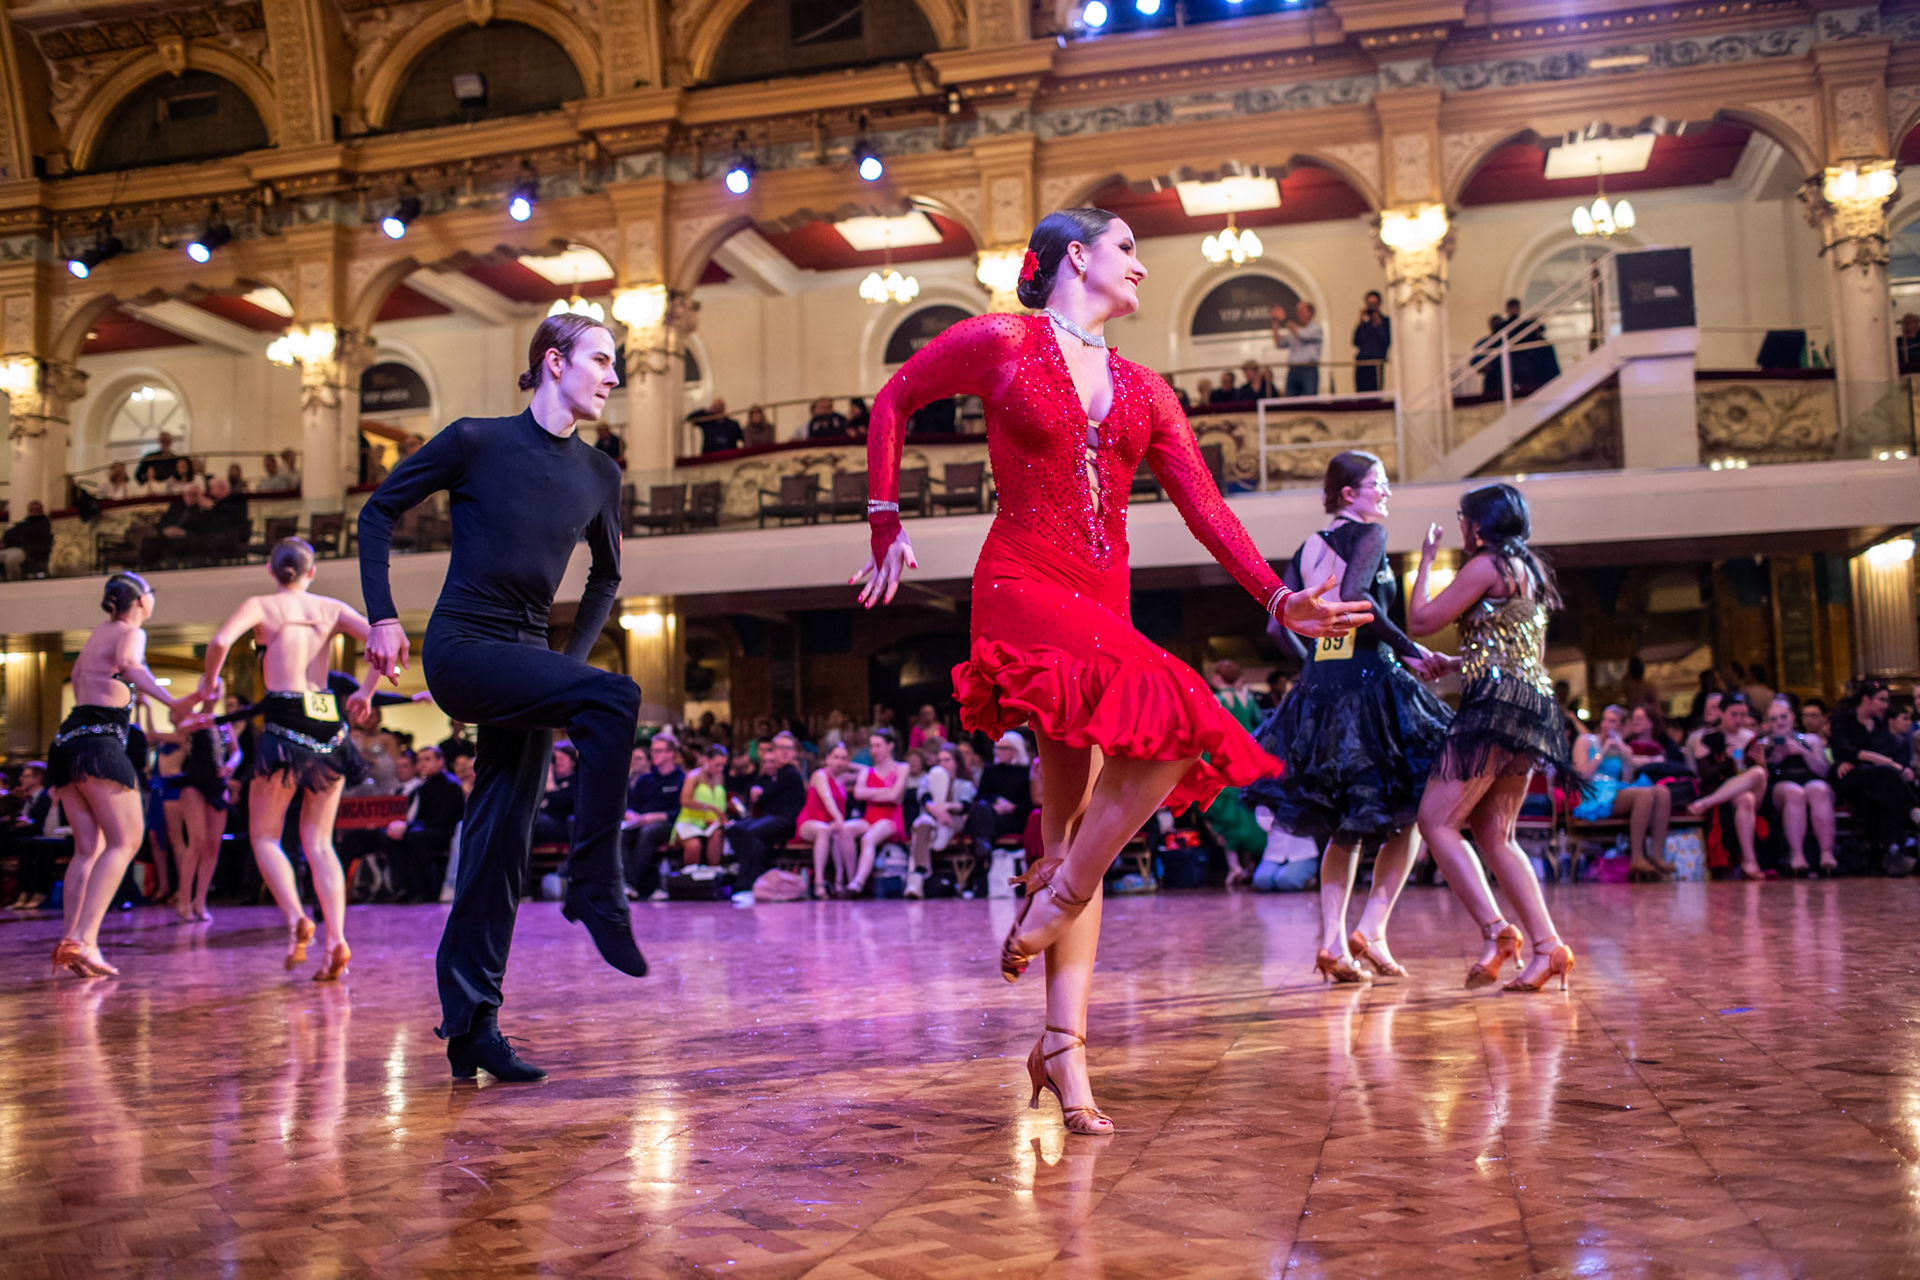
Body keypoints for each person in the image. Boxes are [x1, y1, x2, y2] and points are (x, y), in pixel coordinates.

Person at [855, 207, 1367, 1134]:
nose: (1141, 265)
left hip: (1104, 600)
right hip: (1021, 581)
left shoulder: (1145, 388)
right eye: (1128, 248)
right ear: (1077, 256)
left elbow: (1206, 506)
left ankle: (1063, 1044)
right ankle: (1058, 895)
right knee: (1181, 711)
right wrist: (885, 519)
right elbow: (894, 399)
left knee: (1075, 817)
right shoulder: (1002, 341)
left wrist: (1276, 597)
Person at [359, 312, 641, 1084]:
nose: (614, 376)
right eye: (601, 360)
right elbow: (378, 511)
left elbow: (608, 575)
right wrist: (383, 615)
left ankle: (472, 1026)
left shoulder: (600, 474)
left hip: (528, 659)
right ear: (554, 362)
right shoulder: (476, 441)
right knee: (616, 697)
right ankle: (595, 883)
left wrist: (564, 672)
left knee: (500, 843)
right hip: (464, 648)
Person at [1247, 451, 1453, 981]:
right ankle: (1373, 929)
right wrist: (1410, 649)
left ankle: (1334, 944)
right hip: (1370, 684)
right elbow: (1359, 595)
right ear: (1349, 494)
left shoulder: (1307, 548)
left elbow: (1276, 625)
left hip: (1319, 689)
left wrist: (1315, 664)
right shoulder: (1369, 534)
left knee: (1345, 823)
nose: (1386, 492)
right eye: (1378, 483)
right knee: (1416, 805)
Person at [1409, 482, 1577, 993]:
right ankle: (1548, 948)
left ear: (1478, 524)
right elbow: (1522, 653)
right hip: (1531, 705)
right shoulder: (1529, 570)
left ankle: (1497, 930)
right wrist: (1457, 664)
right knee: (1494, 833)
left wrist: (1426, 562)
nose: (1461, 525)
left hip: (1495, 707)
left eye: (1463, 517)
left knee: (1435, 822)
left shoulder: (1485, 566)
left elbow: (1421, 620)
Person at [198, 538, 384, 977]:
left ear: (271, 569)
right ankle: (336, 940)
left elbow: (220, 640)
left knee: (265, 836)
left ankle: (297, 917)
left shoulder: (262, 605)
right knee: (319, 842)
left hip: (284, 721)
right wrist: (365, 692)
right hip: (327, 724)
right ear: (311, 571)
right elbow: (384, 642)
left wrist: (209, 684)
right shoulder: (330, 608)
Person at [48, 573, 185, 977]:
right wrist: (173, 702)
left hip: (67, 741)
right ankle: (85, 941)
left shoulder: (97, 633)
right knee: (126, 841)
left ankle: (71, 940)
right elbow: (129, 664)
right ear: (141, 601)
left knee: (88, 849)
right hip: (99, 744)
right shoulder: (130, 631)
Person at [1571, 705, 1675, 880]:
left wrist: (1626, 757)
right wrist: (1602, 753)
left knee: (1662, 792)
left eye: (1612, 721)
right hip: (1593, 792)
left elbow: (1626, 782)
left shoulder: (1623, 747)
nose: (1606, 725)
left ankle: (1657, 856)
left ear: (1621, 726)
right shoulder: (1586, 740)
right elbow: (1582, 775)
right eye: (1604, 719)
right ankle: (1637, 857)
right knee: (1644, 794)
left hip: (1615, 790)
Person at [1829, 680, 1920, 865]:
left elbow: (1888, 752)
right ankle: (1913, 810)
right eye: (1882, 700)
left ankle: (1888, 853)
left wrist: (1898, 767)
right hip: (1848, 775)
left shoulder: (1879, 724)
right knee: (1886, 774)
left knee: (1878, 798)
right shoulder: (1843, 719)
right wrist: (1886, 762)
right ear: (1866, 699)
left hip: (1874, 781)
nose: (1886, 705)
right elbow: (1844, 750)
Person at [1753, 698, 1838, 876]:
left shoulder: (1810, 740)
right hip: (1781, 786)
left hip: (1812, 781)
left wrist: (1803, 752)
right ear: (1768, 723)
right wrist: (1775, 757)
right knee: (1794, 792)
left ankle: (1827, 853)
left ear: (1792, 717)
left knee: (1818, 788)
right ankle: (1797, 855)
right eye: (1774, 719)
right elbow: (1761, 778)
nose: (1780, 722)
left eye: (1783, 717)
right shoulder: (1763, 744)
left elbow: (1824, 771)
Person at [728, 731, 806, 900]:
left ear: (794, 752)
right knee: (734, 829)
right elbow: (759, 791)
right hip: (769, 818)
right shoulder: (776, 774)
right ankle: (751, 871)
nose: (784, 752)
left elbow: (763, 798)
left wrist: (760, 793)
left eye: (788, 748)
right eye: (780, 748)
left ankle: (748, 881)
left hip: (784, 821)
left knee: (749, 834)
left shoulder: (790, 773)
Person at [845, 728, 907, 896]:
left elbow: (895, 796)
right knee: (845, 829)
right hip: (870, 817)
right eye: (872, 746)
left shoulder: (902, 768)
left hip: (891, 819)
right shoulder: (867, 771)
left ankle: (858, 883)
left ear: (890, 746)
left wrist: (871, 793)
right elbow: (858, 794)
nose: (874, 750)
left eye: (878, 745)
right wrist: (885, 792)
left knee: (868, 838)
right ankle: (849, 879)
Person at [623, 734, 684, 895]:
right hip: (640, 821)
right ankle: (628, 883)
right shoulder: (645, 780)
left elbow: (679, 811)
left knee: (648, 832)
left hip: (666, 824)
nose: (654, 754)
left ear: (670, 754)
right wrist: (630, 814)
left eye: (658, 751)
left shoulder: (681, 779)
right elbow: (631, 805)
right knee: (620, 835)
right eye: (653, 751)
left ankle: (632, 884)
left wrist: (655, 817)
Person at [797, 742, 856, 898]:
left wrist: (850, 765)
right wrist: (839, 818)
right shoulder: (820, 775)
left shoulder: (842, 779)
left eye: (844, 758)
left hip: (832, 824)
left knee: (837, 833)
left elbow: (867, 771)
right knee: (824, 830)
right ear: (828, 758)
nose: (839, 762)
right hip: (810, 822)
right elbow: (826, 797)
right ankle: (819, 883)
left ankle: (842, 883)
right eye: (836, 757)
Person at [674, 744, 729, 867]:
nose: (720, 769)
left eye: (723, 765)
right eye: (717, 765)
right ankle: (691, 874)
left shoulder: (719, 777)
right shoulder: (694, 776)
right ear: (706, 760)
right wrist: (711, 808)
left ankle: (714, 871)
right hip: (690, 821)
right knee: (694, 845)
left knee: (717, 834)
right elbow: (685, 801)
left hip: (711, 823)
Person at [1272, 300, 1324, 397]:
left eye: (1301, 311)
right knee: (1291, 401)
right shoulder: (1294, 330)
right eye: (1297, 311)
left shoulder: (1315, 329)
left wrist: (1284, 318)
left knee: (1310, 401)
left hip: (1308, 370)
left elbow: (1302, 335)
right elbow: (1279, 343)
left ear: (1310, 313)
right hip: (1293, 370)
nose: (1298, 314)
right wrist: (1275, 323)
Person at [1, 499, 52, 580]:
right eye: (32, 510)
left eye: (37, 510)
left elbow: (30, 537)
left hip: (26, 550)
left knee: (11, 560)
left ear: (41, 510)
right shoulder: (24, 524)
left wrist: (10, 542)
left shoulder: (44, 524)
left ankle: (13, 582)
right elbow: (10, 533)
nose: (35, 512)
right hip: (10, 547)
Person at [1352, 291, 1391, 394]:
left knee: (1375, 392)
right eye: (1369, 304)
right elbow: (1356, 341)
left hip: (1376, 363)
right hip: (1362, 362)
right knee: (1361, 393)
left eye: (1374, 304)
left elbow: (1387, 341)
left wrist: (1378, 324)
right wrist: (1360, 322)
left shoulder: (1385, 321)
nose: (1372, 307)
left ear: (1379, 304)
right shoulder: (1364, 323)